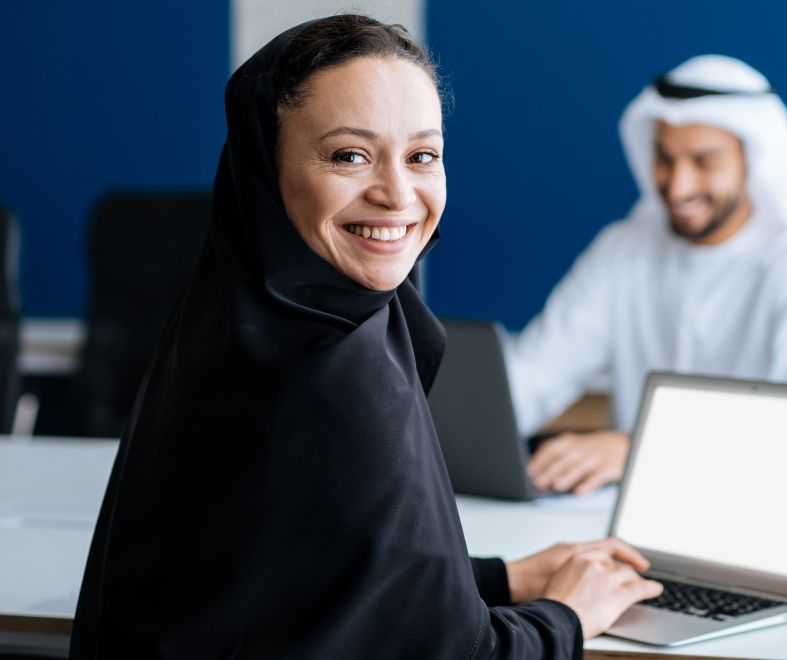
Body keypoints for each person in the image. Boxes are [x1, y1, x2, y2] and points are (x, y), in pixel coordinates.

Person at [69, 15, 662, 659]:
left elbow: (306, 580)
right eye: (349, 155)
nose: (397, 193)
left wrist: (498, 579)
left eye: (422, 156)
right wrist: (567, 615)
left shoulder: (237, 315)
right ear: (264, 167)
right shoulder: (336, 373)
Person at [507, 55, 787, 495]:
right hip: (626, 517)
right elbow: (533, 378)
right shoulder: (624, 249)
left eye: (704, 161)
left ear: (752, 159)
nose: (678, 186)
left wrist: (638, 448)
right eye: (665, 158)